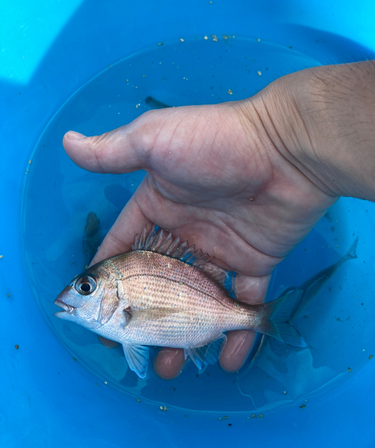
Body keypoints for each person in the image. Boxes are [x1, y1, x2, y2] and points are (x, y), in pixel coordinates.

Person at [63, 60, 375, 380]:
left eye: (86, 286)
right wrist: (285, 138)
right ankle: (259, 318)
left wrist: (280, 137)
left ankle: (260, 318)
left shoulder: (123, 293)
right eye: (84, 286)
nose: (71, 296)